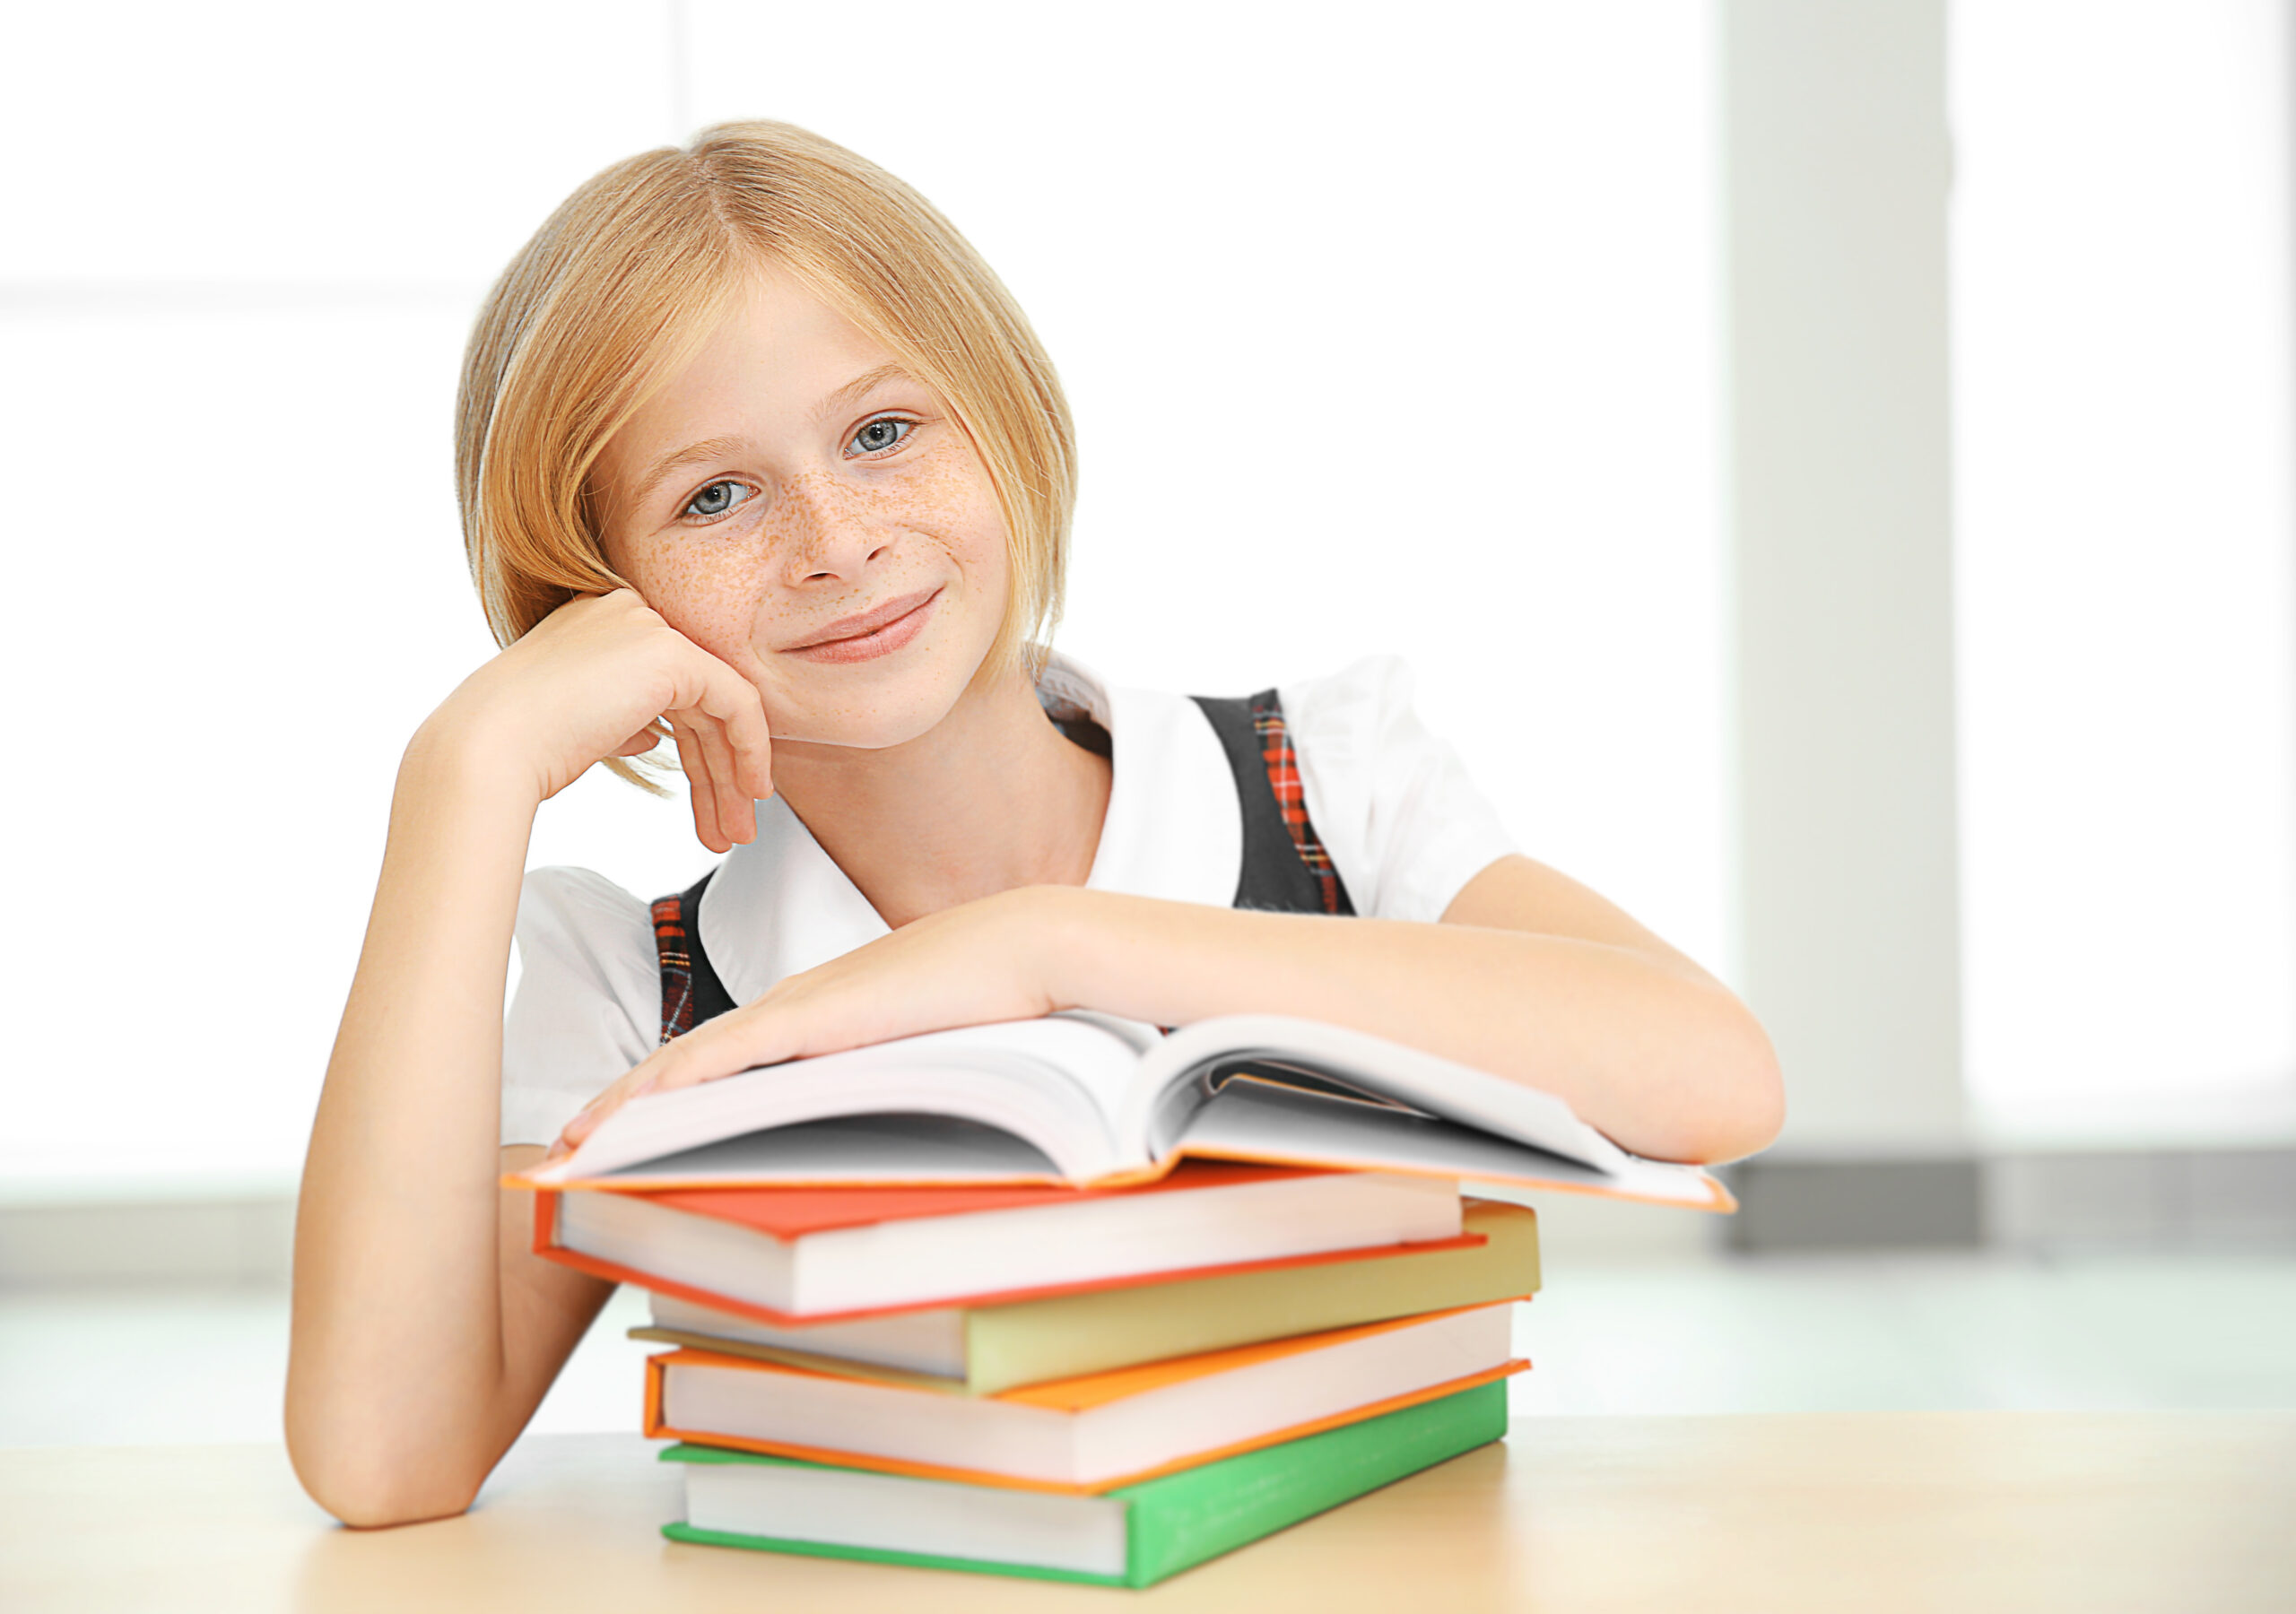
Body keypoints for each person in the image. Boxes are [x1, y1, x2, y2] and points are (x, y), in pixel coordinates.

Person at [284, 119, 1784, 1529]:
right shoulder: (644, 991)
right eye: (717, 496)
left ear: (1004, 420)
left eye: (882, 431)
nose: (839, 541)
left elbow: (1716, 1077)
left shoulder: (1320, 787)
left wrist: (1051, 947)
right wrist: (461, 776)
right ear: (598, 598)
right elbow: (383, 1455)